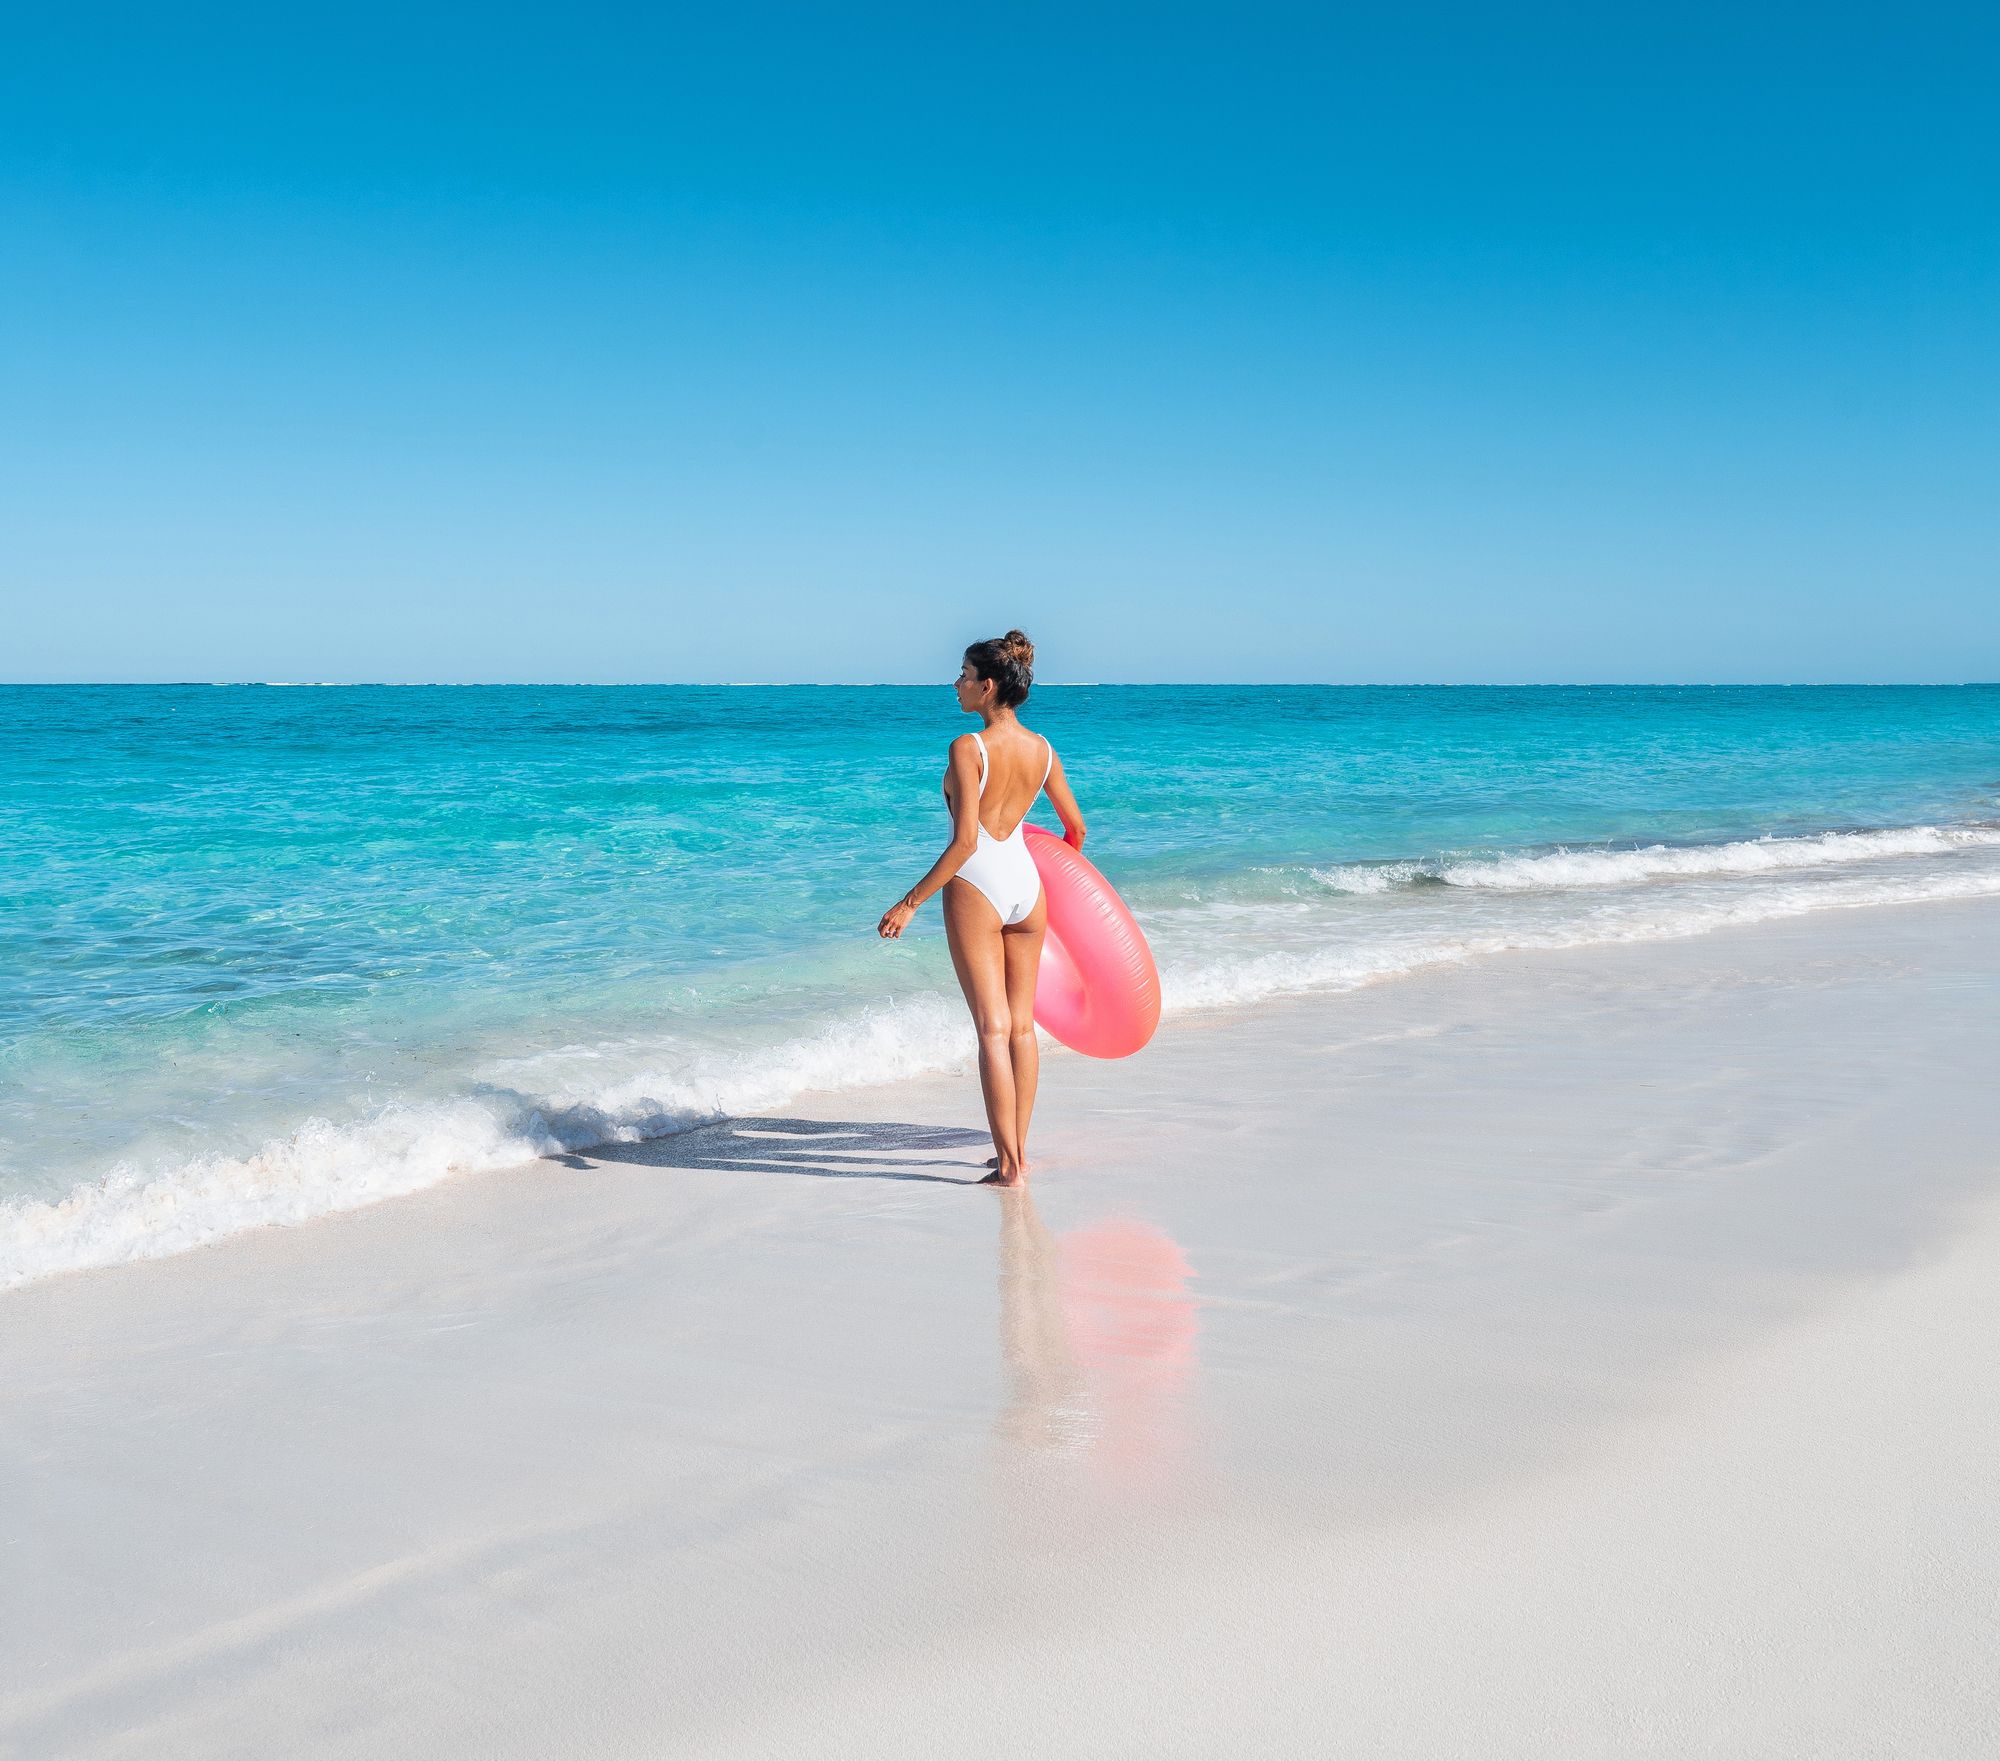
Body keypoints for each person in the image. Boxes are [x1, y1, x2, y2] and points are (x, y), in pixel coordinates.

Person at [877, 631, 1086, 1185]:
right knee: (1021, 1030)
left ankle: (1009, 1168)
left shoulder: (968, 747)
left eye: (964, 675)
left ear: (987, 686)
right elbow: (1076, 830)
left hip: (978, 884)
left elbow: (967, 841)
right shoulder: (1043, 749)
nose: (957, 684)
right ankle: (1018, 1152)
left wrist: (910, 902)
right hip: (1027, 885)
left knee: (992, 1031)